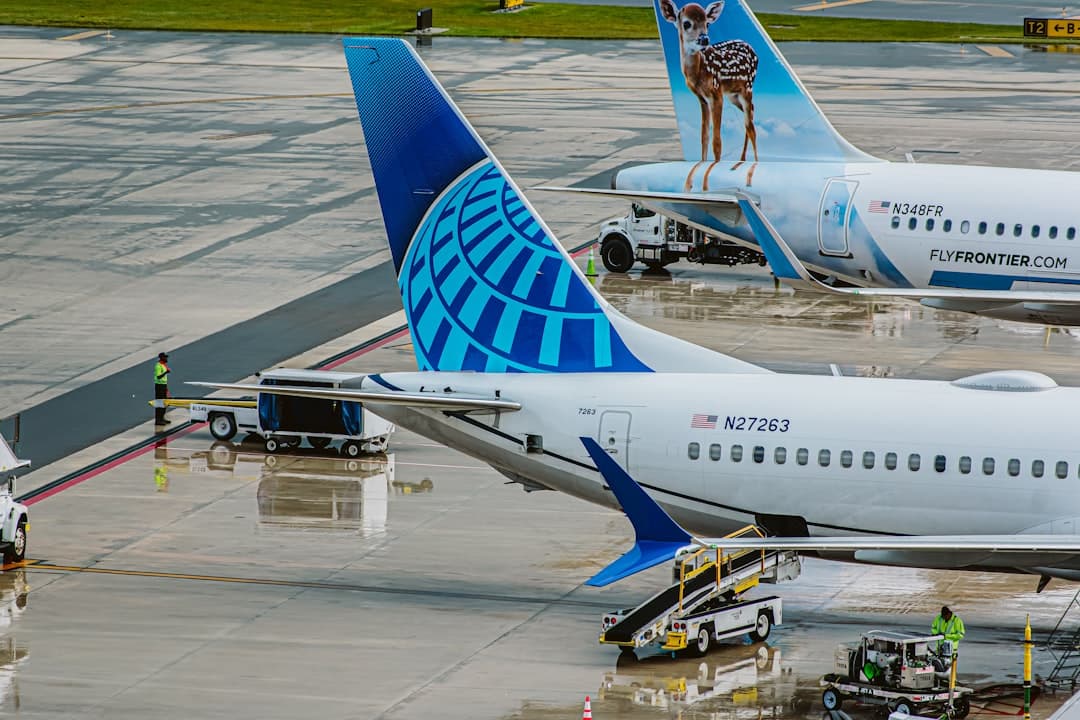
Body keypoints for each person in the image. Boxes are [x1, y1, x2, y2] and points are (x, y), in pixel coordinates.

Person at [154, 352, 170, 425]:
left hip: (163, 385)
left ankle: (162, 418)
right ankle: (158, 420)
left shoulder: (163, 365)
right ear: (161, 358)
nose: (166, 358)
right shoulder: (158, 366)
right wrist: (166, 372)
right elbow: (158, 377)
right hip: (159, 386)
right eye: (165, 357)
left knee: (164, 402)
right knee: (159, 402)